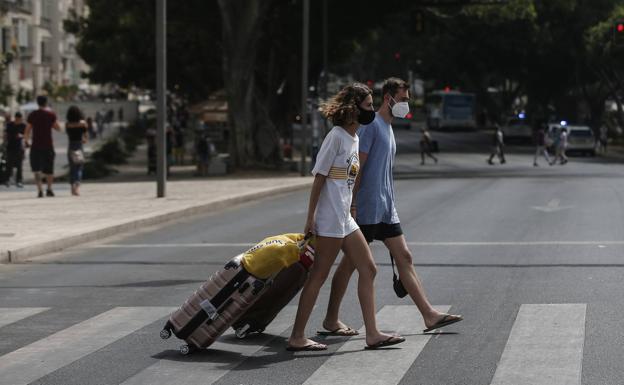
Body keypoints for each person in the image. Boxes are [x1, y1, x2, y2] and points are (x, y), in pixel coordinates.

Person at [322, 78, 462, 337]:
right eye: (404, 99)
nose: (407, 104)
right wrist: (352, 203)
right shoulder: (371, 126)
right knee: (349, 265)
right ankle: (331, 319)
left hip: (385, 208)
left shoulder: (388, 127)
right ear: (389, 98)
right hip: (365, 208)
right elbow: (358, 168)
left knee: (405, 257)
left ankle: (429, 315)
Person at [287, 83, 405, 351]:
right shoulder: (337, 137)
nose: (372, 110)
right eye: (367, 106)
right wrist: (311, 218)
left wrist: (352, 208)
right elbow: (319, 178)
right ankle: (297, 336)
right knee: (318, 275)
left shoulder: (354, 138)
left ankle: (372, 333)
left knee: (369, 268)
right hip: (329, 219)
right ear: (353, 108)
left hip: (345, 217)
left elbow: (348, 182)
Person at [24, 95, 61, 198]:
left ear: (37, 103)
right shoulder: (51, 114)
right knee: (49, 169)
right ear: (46, 102)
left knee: (36, 169)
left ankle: (40, 190)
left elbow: (27, 129)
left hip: (35, 145)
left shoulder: (32, 115)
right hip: (48, 145)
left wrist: (26, 141)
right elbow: (58, 128)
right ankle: (49, 189)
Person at [65, 106, 88, 196]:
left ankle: (72, 187)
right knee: (79, 167)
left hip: (71, 146)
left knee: (72, 168)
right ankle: (77, 187)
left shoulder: (67, 124)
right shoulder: (83, 124)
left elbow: (67, 133)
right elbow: (86, 138)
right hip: (79, 146)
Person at [3, 112, 26, 187]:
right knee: (9, 165)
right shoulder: (9, 125)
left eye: (20, 119)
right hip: (10, 147)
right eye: (18, 119)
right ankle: (7, 180)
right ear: (15, 118)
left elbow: (26, 135)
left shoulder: (23, 125)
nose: (19, 121)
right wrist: (4, 142)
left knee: (19, 165)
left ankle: (19, 181)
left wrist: (21, 135)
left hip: (19, 148)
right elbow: (5, 135)